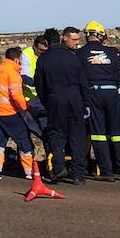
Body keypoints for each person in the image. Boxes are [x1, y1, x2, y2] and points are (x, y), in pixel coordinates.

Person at [77, 22, 120, 181]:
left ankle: (107, 172)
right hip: (112, 93)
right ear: (101, 35)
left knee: (98, 134)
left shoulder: (80, 53)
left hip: (93, 94)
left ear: (87, 35)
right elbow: (119, 75)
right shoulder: (112, 52)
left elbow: (79, 76)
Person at [35, 26, 87, 185]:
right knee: (77, 136)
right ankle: (78, 174)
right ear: (60, 39)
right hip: (75, 98)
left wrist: (46, 101)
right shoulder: (74, 57)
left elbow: (39, 85)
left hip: (55, 99)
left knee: (56, 135)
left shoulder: (43, 59)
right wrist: (85, 102)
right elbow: (83, 81)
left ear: (46, 42)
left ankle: (59, 168)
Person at [0, 46, 35, 182]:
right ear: (17, 59)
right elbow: (16, 95)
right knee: (24, 140)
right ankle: (30, 172)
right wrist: (25, 108)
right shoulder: (12, 73)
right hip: (8, 112)